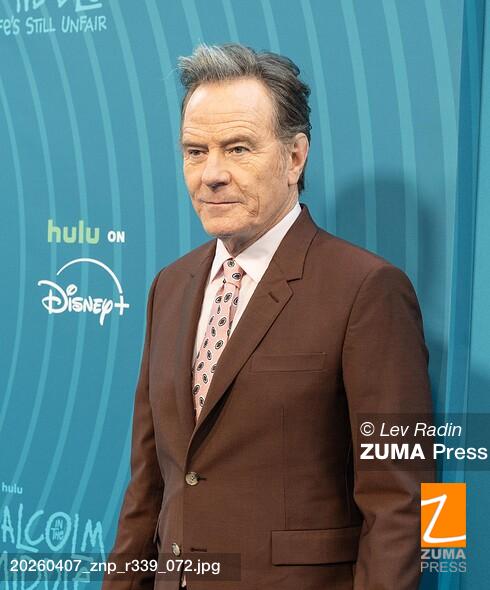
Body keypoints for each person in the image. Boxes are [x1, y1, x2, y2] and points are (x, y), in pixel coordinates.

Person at [103, 43, 434, 590]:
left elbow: (405, 500)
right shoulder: (170, 286)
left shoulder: (367, 290)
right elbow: (149, 485)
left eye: (238, 148)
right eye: (195, 151)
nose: (211, 174)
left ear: (295, 156)